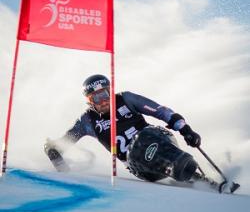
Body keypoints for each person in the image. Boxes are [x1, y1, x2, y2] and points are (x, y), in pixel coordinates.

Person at [44, 74, 201, 182]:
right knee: (137, 147)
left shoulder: (126, 99)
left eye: (105, 94)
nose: (103, 101)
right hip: (139, 165)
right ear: (90, 101)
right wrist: (53, 151)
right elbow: (63, 144)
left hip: (158, 139)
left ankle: (191, 171)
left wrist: (185, 129)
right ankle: (182, 170)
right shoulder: (87, 121)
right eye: (97, 98)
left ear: (111, 91)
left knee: (143, 137)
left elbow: (161, 111)